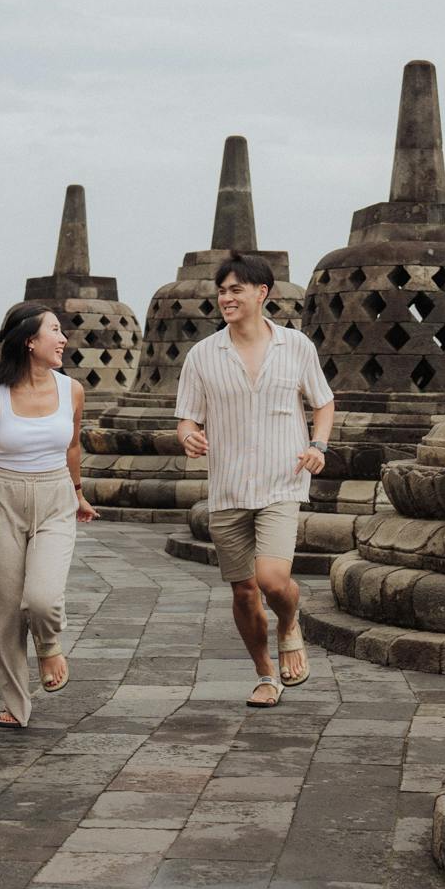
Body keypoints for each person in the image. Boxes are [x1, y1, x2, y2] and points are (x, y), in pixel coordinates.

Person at [175, 252, 335, 708]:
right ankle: (265, 674)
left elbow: (323, 402)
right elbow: (186, 419)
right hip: (227, 488)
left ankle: (289, 622)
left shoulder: (296, 346)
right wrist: (189, 437)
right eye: (222, 291)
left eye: (235, 290)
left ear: (261, 293)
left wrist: (318, 447)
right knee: (244, 591)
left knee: (272, 578)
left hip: (283, 480)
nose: (226, 298)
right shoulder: (203, 355)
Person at [0, 301, 99, 728]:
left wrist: (77, 492)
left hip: (55, 499)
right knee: (8, 611)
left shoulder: (72, 390)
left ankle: (49, 646)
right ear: (30, 341)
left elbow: (72, 447)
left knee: (42, 599)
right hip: (2, 501)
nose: (63, 338)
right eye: (55, 330)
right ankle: (17, 705)